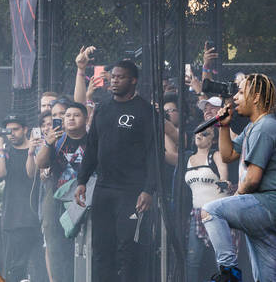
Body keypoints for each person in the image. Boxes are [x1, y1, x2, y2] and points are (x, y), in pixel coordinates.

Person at [75, 60, 155, 282]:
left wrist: (149, 189)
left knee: (127, 249)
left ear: (133, 80)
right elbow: (92, 147)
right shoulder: (103, 108)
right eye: (112, 77)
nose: (114, 80)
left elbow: (153, 153)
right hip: (103, 188)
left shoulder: (145, 111)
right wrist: (82, 180)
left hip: (131, 190)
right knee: (101, 246)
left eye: (120, 77)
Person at [203, 73, 276, 281]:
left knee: (211, 211)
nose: (235, 97)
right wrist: (224, 126)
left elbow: (252, 179)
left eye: (242, 92)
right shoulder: (254, 126)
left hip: (266, 204)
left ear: (256, 96)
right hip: (262, 208)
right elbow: (227, 156)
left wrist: (235, 199)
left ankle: (229, 272)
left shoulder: (266, 126)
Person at [163, 126, 229, 282]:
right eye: (198, 131)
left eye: (206, 133)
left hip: (216, 214)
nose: (200, 135)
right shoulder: (187, 158)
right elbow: (167, 155)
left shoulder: (216, 155)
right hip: (196, 214)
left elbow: (223, 170)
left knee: (222, 261)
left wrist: (224, 181)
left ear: (213, 140)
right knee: (192, 260)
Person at [36, 102, 88, 282]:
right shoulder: (57, 140)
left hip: (85, 197)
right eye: (67, 115)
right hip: (57, 196)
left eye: (76, 115)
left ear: (86, 118)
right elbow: (40, 164)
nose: (71, 118)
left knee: (85, 245)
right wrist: (48, 143)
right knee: (55, 245)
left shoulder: (93, 139)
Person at [0, 113, 47, 282]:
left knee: (40, 266)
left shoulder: (38, 149)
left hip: (37, 215)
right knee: (16, 266)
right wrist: (0, 145)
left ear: (25, 129)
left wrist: (32, 150)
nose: (11, 133)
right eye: (8, 131)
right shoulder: (6, 151)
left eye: (15, 129)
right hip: (14, 217)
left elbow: (32, 174)